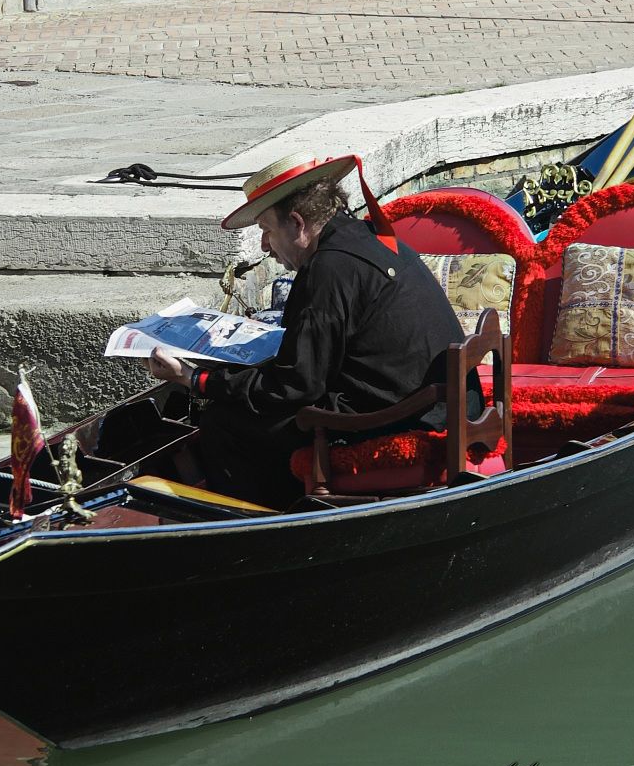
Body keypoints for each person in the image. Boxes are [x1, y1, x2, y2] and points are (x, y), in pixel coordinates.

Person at [148, 153, 466, 508]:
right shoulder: (364, 235)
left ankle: (265, 522)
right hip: (430, 400)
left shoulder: (328, 270)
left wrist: (198, 380)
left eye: (267, 230)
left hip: (397, 418)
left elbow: (294, 386)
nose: (266, 245)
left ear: (297, 223)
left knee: (223, 424)